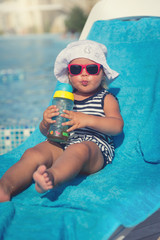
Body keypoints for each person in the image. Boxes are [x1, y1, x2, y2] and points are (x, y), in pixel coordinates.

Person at [0, 40, 124, 202]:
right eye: (76, 69)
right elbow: (46, 131)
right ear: (69, 75)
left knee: (79, 149)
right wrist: (46, 122)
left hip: (93, 150)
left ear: (102, 74)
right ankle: (6, 186)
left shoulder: (105, 98)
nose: (84, 74)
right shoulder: (64, 98)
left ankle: (51, 177)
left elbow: (117, 126)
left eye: (92, 69)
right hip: (63, 143)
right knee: (33, 153)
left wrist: (87, 120)